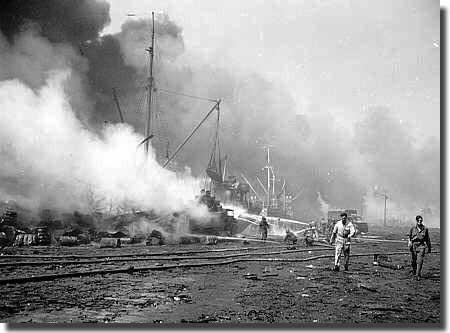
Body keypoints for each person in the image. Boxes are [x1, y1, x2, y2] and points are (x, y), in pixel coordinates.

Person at [408, 215, 431, 280]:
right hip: (414, 246)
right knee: (413, 261)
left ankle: (417, 275)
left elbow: (427, 239)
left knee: (420, 261)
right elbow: (409, 237)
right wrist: (409, 242)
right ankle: (415, 272)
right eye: (418, 220)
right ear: (416, 221)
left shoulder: (425, 229)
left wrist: (429, 248)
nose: (419, 222)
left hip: (421, 246)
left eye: (421, 220)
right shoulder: (413, 228)